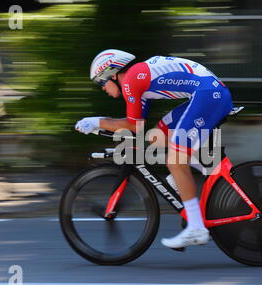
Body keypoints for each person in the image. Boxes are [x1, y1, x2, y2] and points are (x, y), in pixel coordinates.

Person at [75, 49, 234, 249]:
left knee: (175, 161)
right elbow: (138, 127)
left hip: (209, 95)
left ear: (111, 73)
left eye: (101, 82)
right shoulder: (137, 78)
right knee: (157, 136)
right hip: (209, 93)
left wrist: (95, 122)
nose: (103, 88)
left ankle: (196, 228)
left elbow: (132, 125)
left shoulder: (131, 79)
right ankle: (202, 171)